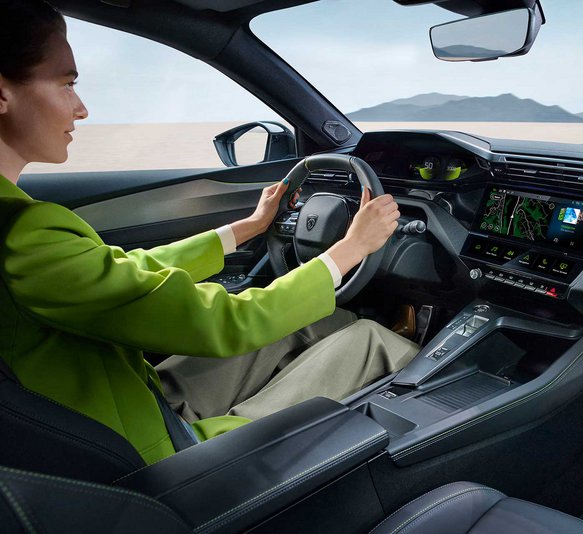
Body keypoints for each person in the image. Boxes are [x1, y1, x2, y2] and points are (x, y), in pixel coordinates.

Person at [0, 0, 418, 465]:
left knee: (315, 321)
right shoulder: (26, 234)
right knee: (373, 341)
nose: (81, 109)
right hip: (157, 459)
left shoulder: (17, 223)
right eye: (67, 84)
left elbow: (123, 275)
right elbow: (228, 323)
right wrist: (351, 249)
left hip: (122, 409)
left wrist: (244, 229)